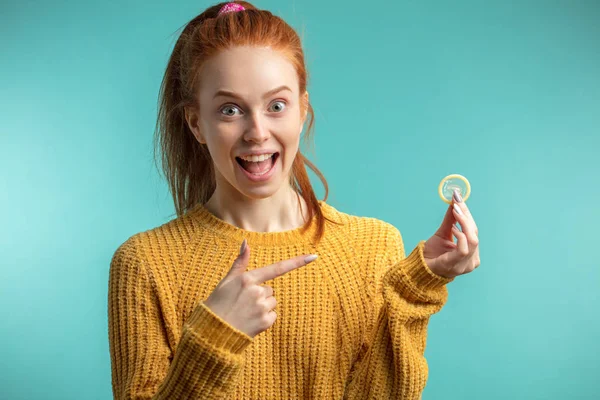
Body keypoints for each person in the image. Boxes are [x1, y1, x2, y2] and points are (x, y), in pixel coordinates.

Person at [107, 2, 481, 399]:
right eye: (230, 109)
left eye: (276, 106)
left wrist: (420, 286)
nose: (257, 132)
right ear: (196, 123)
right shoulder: (144, 264)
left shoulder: (373, 248)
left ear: (302, 110)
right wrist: (214, 338)